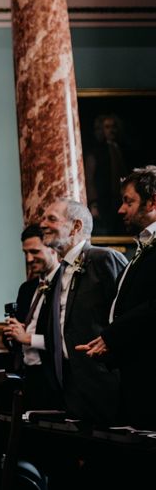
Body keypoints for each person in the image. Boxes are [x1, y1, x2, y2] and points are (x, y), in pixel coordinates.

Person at [77, 166, 156, 429]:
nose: (121, 210)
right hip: (134, 374)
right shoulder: (143, 245)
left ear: (152, 201)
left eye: (128, 201)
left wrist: (113, 337)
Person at [38, 198, 126, 424]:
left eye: (51, 219)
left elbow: (125, 314)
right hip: (70, 383)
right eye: (43, 218)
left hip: (105, 383)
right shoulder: (60, 272)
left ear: (76, 226)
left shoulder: (104, 259)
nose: (42, 224)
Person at [3, 225, 62, 410]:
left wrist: (27, 338)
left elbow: (66, 337)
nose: (29, 259)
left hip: (54, 376)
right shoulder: (27, 289)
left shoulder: (65, 284)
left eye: (35, 251)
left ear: (53, 248)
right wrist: (11, 333)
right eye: (25, 253)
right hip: (27, 375)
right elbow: (17, 337)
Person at [84, 113, 135, 235]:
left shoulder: (125, 150)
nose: (111, 130)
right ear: (101, 129)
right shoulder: (95, 152)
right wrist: (93, 203)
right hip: (103, 201)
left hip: (122, 199)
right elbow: (89, 179)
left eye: (114, 127)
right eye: (107, 127)